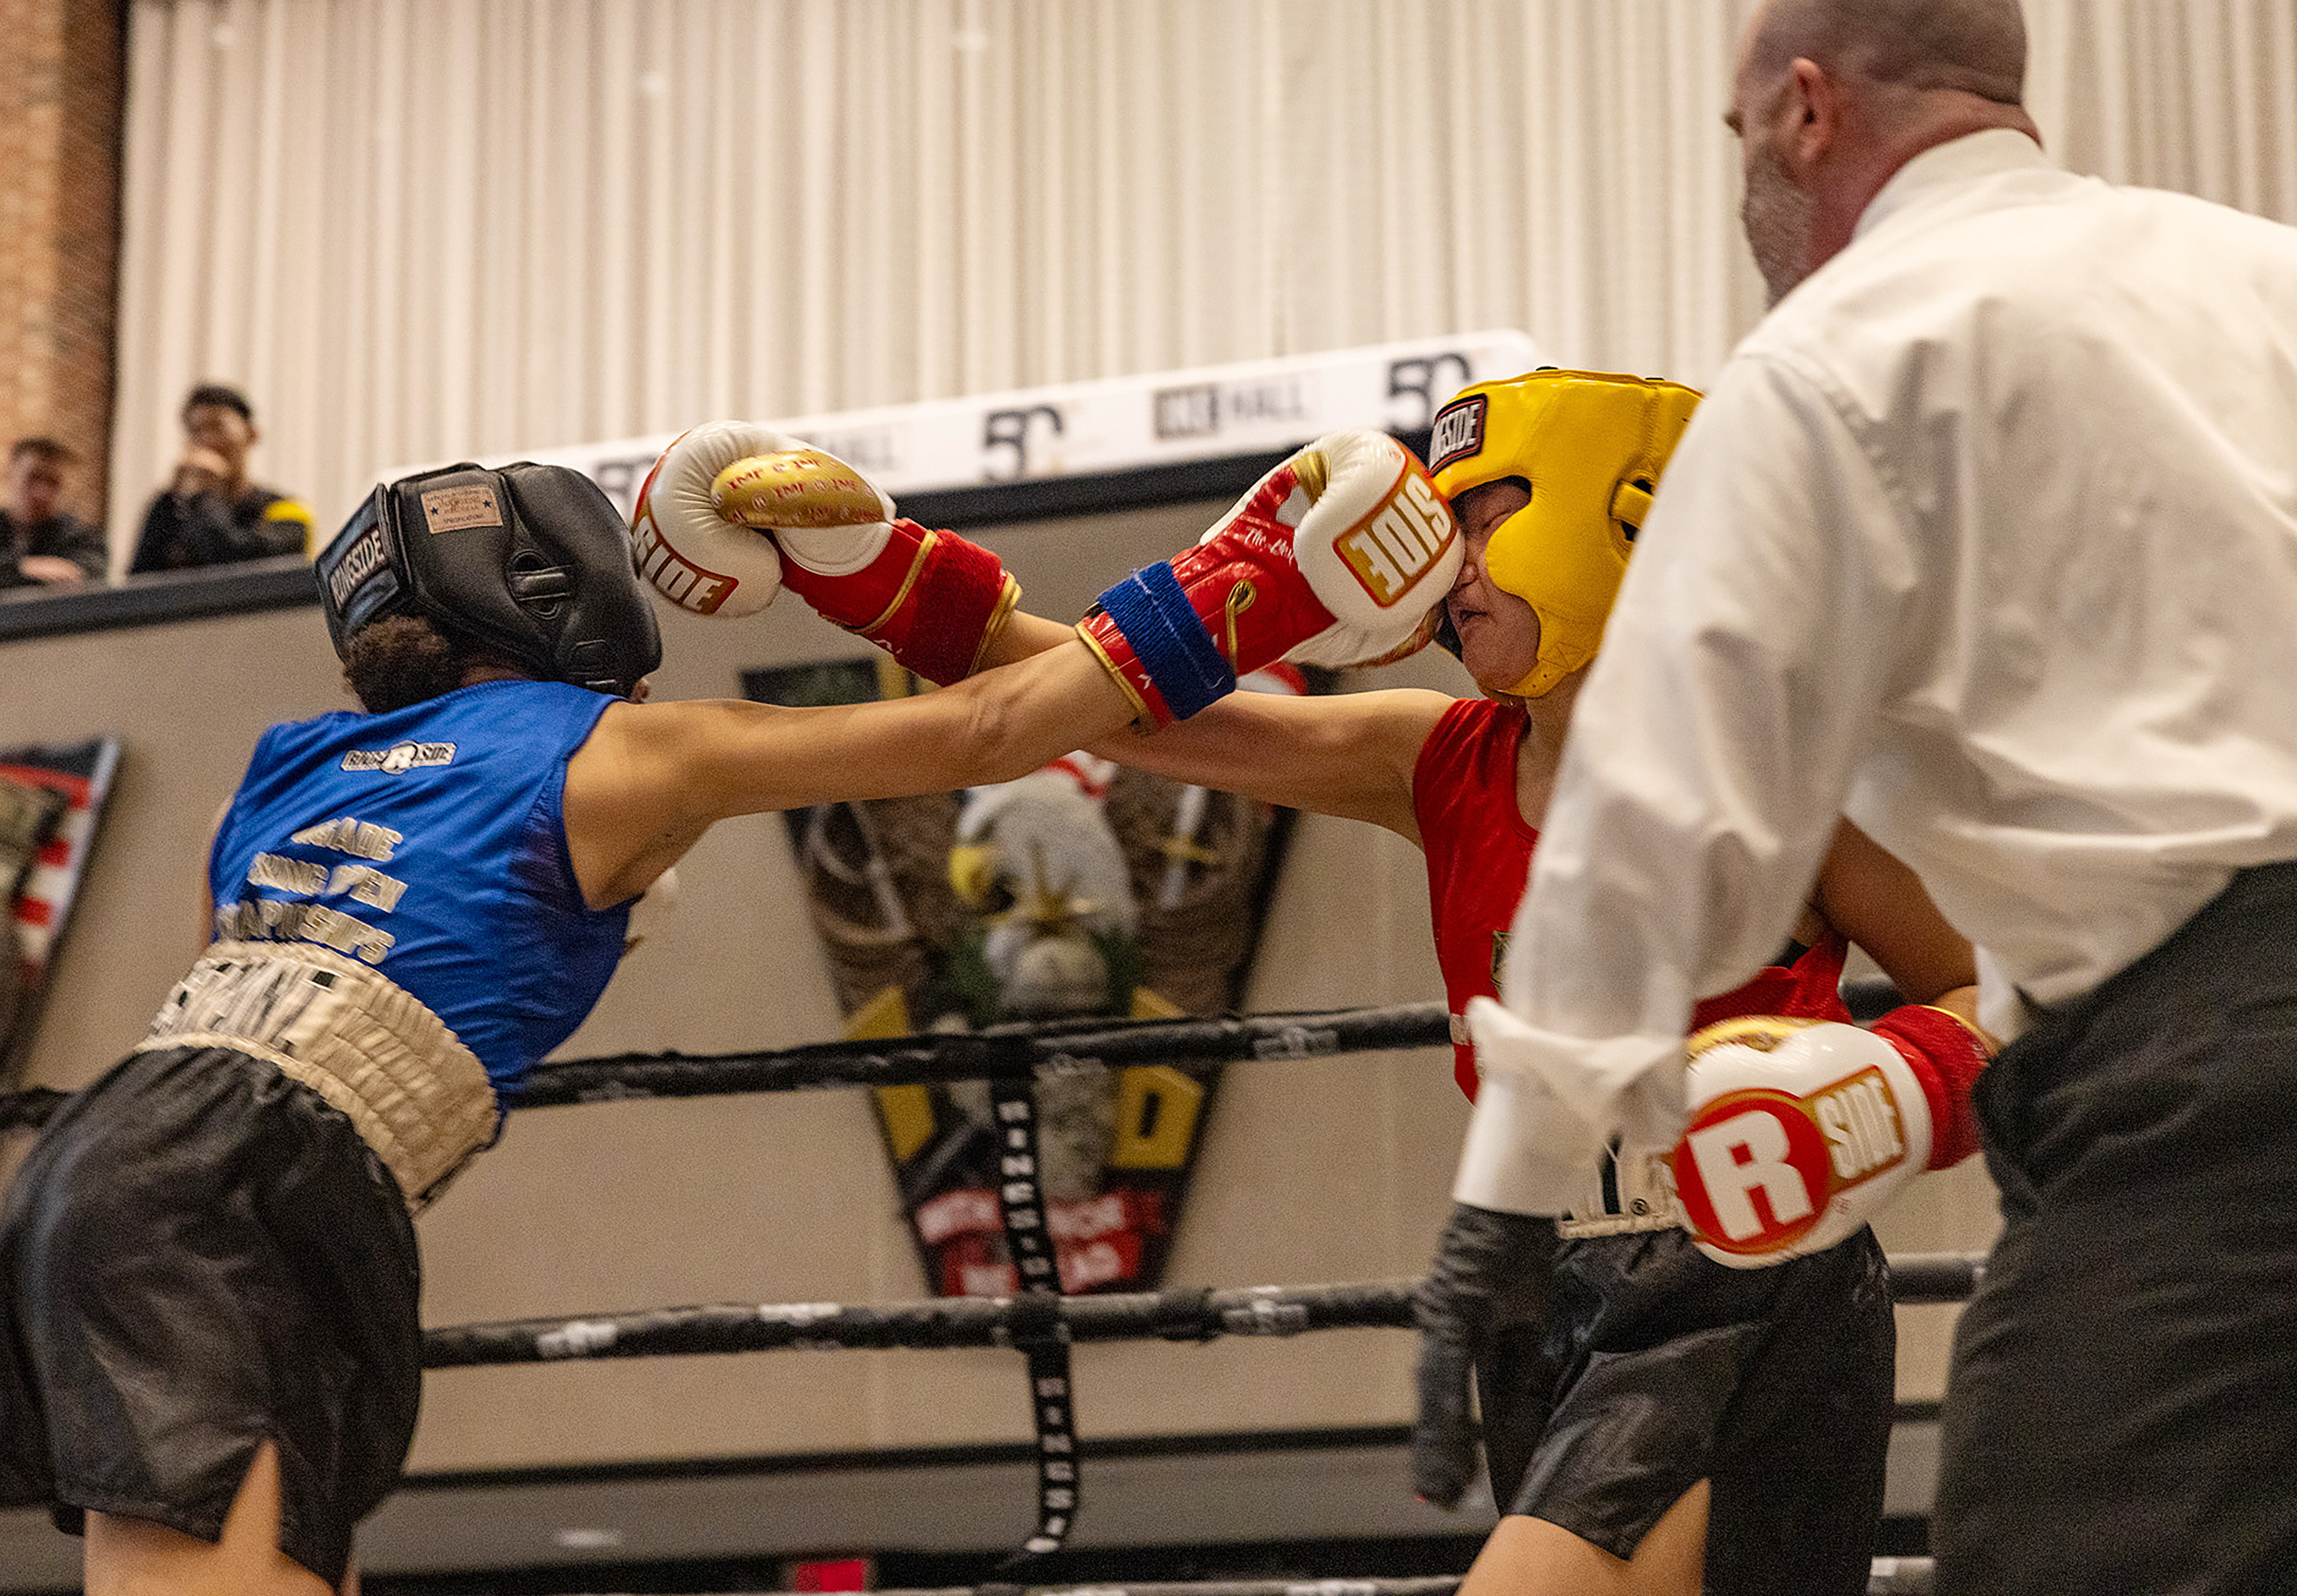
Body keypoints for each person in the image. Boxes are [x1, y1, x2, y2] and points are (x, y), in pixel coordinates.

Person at [0, 432, 1452, 1594]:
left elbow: (244, 991)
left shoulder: (272, 766)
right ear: (556, 585)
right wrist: (1240, 577)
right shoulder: (628, 751)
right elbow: (989, 734)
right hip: (252, 1188)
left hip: (138, 1155)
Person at [691, 371, 1990, 1595]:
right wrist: (875, 572)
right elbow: (1109, 703)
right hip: (1538, 1284)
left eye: (1487, 522)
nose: (1451, 564)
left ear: (1626, 521)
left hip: (1739, 1274)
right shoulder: (1434, 758)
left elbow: (2003, 997)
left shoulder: (1787, 775)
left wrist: (1874, 1100)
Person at [1442, 3, 2297, 1593]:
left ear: (1805, 115)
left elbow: (1658, 829)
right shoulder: (2263, 266)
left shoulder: (1838, 357)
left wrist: (1505, 1195)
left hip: (2203, 1093)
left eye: (1735, 141)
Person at [126, 383, 315, 574]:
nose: (206, 440)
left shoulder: (289, 510)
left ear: (252, 435)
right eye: (195, 431)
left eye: (218, 427)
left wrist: (203, 494)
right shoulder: (172, 508)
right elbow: (138, 586)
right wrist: (171, 505)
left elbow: (244, 568)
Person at [0, 438, 106, 589]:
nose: (42, 492)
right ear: (9, 475)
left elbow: (89, 578)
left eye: (53, 482)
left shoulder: (83, 538)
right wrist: (25, 567)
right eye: (33, 477)